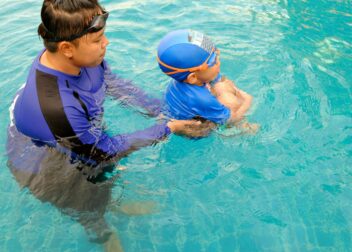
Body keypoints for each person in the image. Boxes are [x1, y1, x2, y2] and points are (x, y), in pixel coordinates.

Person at [7, 2, 212, 252]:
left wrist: (163, 112)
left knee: (103, 176)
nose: (106, 44)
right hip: (42, 161)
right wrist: (168, 128)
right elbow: (102, 152)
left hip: (79, 134)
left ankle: (111, 206)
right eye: (98, 40)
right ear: (67, 48)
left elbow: (113, 84)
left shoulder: (83, 60)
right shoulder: (57, 106)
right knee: (84, 200)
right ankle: (101, 232)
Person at [157, 29, 258, 132]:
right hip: (188, 122)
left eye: (216, 53)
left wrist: (228, 90)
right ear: (193, 77)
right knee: (205, 128)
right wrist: (247, 101)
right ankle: (175, 127)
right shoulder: (202, 99)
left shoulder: (195, 78)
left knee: (223, 89)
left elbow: (222, 80)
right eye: (213, 61)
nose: (218, 61)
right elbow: (230, 119)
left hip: (172, 107)